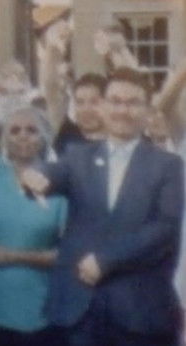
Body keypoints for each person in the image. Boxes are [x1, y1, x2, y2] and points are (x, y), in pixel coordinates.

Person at [22, 68, 184, 346]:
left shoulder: (168, 165)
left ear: (147, 110)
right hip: (80, 311)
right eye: (115, 101)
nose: (123, 110)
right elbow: (53, 172)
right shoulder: (78, 157)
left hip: (139, 313)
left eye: (133, 103)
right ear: (104, 106)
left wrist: (106, 260)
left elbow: (164, 229)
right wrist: (35, 176)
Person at [0, 107, 65, 346]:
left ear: (45, 137)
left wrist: (15, 256)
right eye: (14, 130)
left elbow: (69, 254)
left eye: (31, 130)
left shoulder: (60, 182)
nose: (22, 135)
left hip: (40, 312)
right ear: (3, 138)